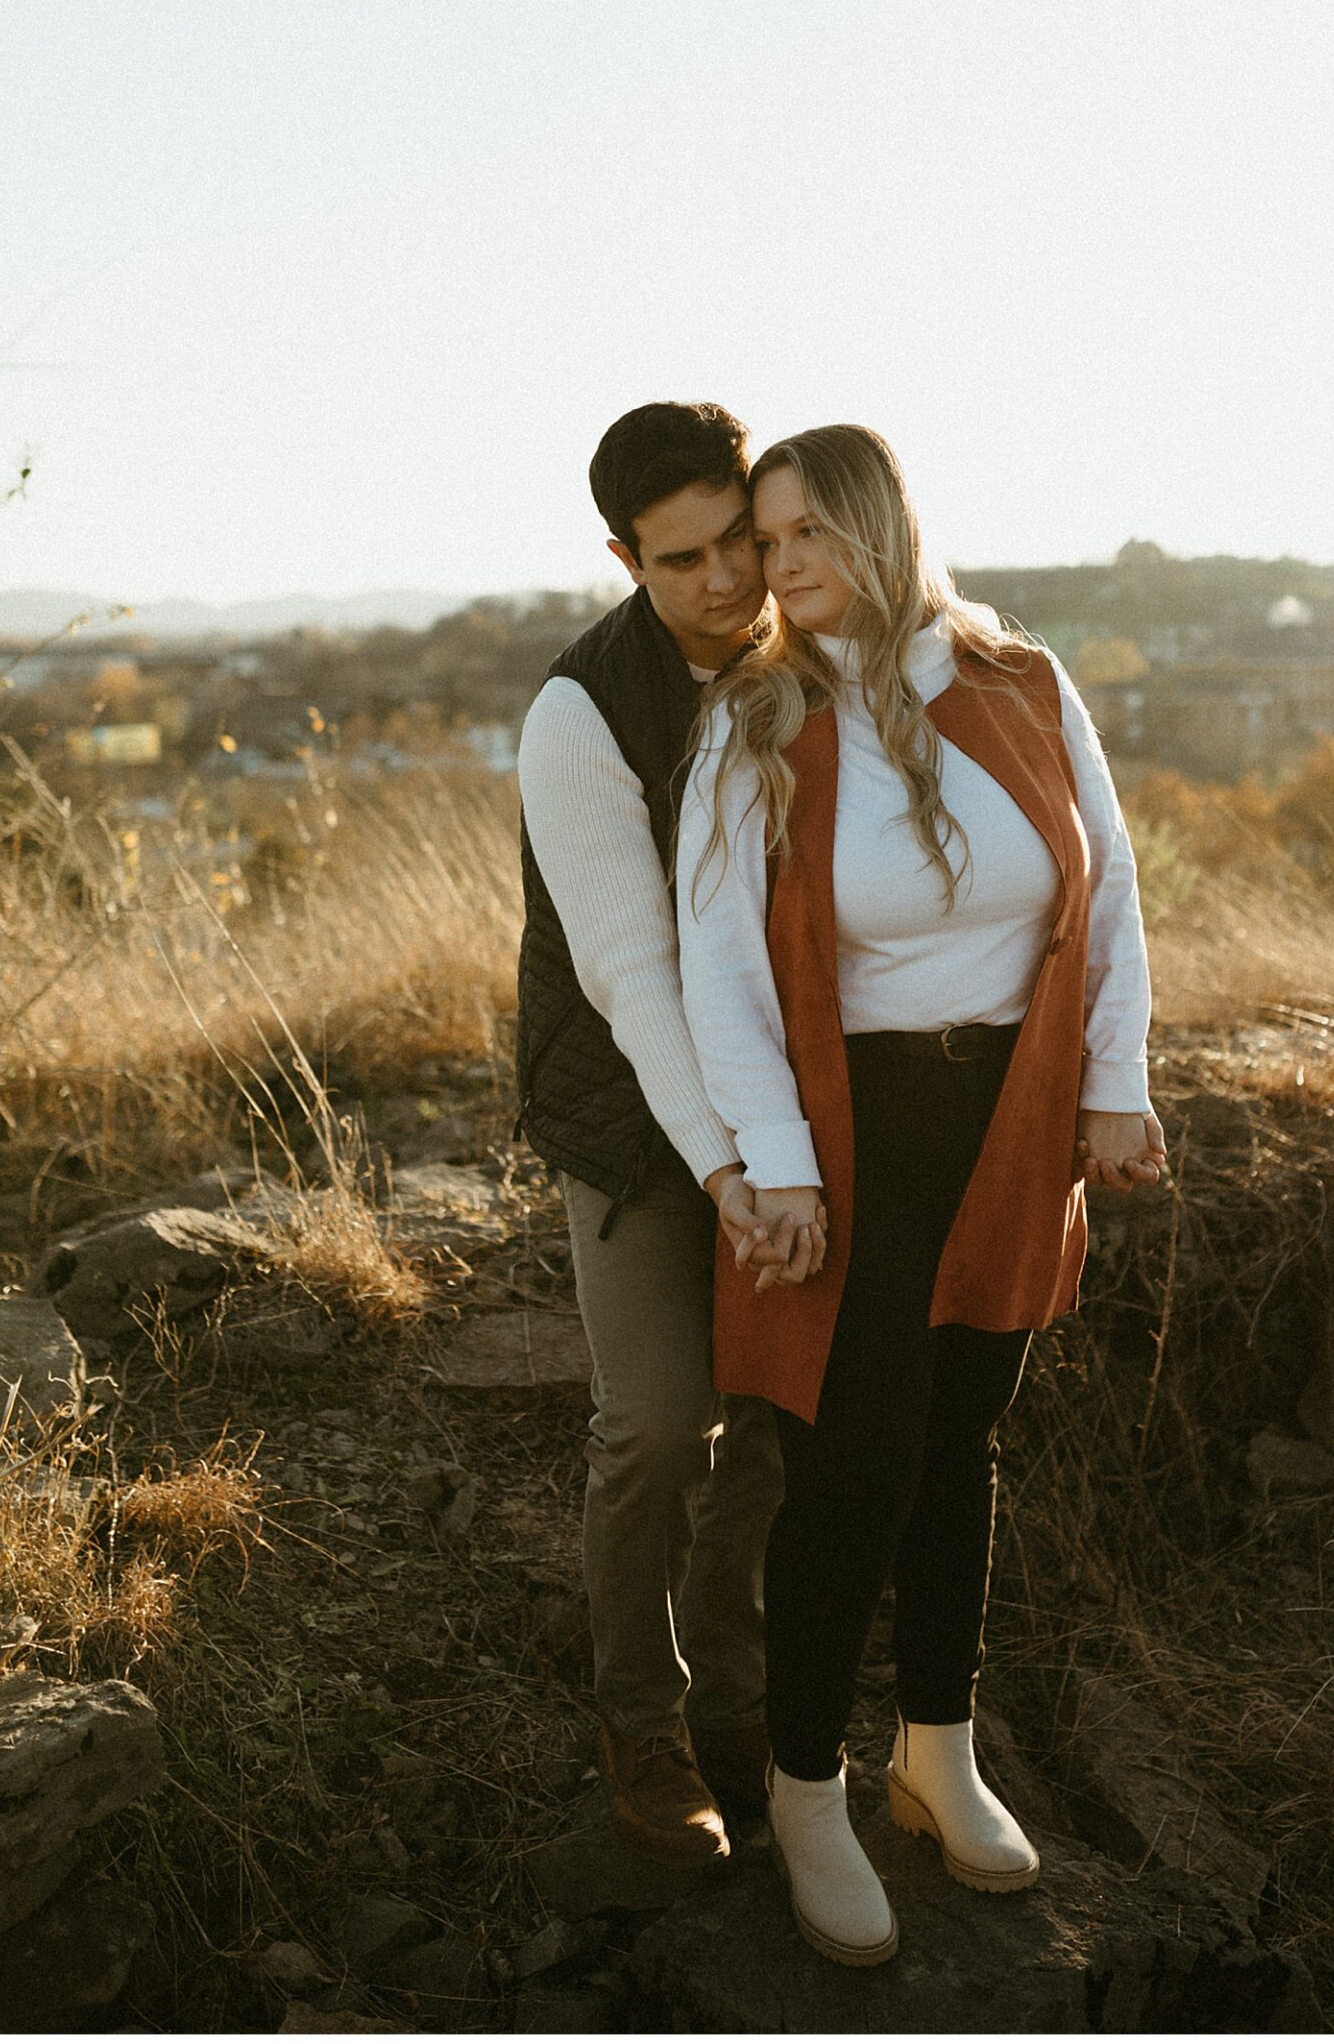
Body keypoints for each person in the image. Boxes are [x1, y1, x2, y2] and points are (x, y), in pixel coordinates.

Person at [675, 423, 1164, 1966]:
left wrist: (1114, 1078)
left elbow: (1111, 882)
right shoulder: (757, 719)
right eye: (767, 538)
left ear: (884, 526)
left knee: (963, 1432)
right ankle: (805, 1783)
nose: (782, 562)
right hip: (855, 1120)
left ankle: (933, 1754)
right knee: (849, 1458)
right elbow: (720, 969)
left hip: (1010, 1111)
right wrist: (779, 1164)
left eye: (811, 529)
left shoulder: (1016, 679)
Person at [516, 400, 787, 1866]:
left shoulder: (804, 655)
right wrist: (726, 1166)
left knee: (767, 1427)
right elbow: (628, 971)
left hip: (783, 1102)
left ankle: (740, 1707)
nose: (723, 583)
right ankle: (641, 1722)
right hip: (626, 1109)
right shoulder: (581, 713)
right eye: (679, 560)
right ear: (622, 555)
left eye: (738, 542)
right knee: (652, 1425)